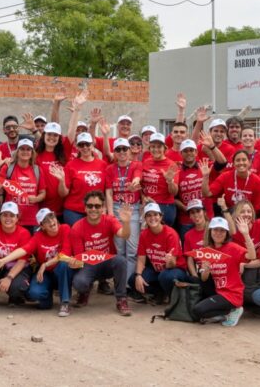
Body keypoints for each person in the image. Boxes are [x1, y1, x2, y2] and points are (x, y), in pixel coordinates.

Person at [62, 191, 133, 316]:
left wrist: (126, 222)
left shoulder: (110, 220)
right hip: (89, 265)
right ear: (85, 208)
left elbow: (125, 235)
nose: (93, 209)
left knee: (121, 260)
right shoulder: (77, 227)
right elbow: (80, 258)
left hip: (107, 263)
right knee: (79, 283)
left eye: (97, 206)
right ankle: (84, 292)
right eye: (90, 206)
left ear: (103, 208)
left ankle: (121, 299)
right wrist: (74, 262)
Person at [192, 216, 257, 327]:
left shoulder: (232, 248)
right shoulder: (207, 250)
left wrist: (246, 234)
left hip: (232, 294)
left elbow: (252, 255)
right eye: (215, 230)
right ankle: (226, 313)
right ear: (210, 231)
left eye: (222, 230)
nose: (218, 233)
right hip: (219, 292)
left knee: (198, 310)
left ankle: (233, 311)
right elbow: (203, 279)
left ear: (226, 233)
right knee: (196, 313)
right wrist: (206, 269)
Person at [104, 138, 143, 285]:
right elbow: (108, 192)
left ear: (129, 151)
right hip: (115, 208)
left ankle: (128, 284)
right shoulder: (109, 168)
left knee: (132, 251)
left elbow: (137, 178)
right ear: (114, 152)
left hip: (132, 208)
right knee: (119, 250)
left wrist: (134, 183)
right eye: (118, 149)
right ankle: (120, 283)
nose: (121, 152)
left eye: (124, 149)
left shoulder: (136, 165)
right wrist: (110, 214)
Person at [131, 203, 188, 303]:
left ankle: (173, 297)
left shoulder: (171, 234)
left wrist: (169, 261)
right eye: (149, 215)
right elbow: (141, 258)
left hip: (175, 269)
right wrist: (138, 275)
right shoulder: (144, 234)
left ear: (161, 216)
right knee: (133, 280)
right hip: (157, 269)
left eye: (155, 214)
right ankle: (159, 293)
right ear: (145, 218)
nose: (152, 218)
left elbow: (173, 264)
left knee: (165, 276)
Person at [26, 208, 74, 316]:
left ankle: (65, 303)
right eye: (46, 221)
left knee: (64, 263)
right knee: (35, 294)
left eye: (52, 217)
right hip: (47, 273)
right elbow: (25, 249)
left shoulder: (65, 228)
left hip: (61, 271)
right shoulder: (38, 236)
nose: (52, 222)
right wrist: (4, 260)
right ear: (42, 226)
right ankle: (47, 299)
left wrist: (45, 264)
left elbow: (65, 254)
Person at [53, 132, 107, 225]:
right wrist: (61, 181)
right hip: (74, 211)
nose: (85, 147)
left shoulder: (103, 165)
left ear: (92, 144)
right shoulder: (71, 165)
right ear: (77, 147)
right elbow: (63, 194)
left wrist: (105, 207)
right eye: (81, 145)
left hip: (96, 209)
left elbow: (107, 190)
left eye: (87, 144)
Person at [0, 138, 47, 233]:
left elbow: (43, 193)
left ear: (32, 153)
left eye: (28, 149)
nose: (25, 152)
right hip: (11, 218)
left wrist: (36, 199)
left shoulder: (37, 170)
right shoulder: (8, 167)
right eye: (22, 149)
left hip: (31, 219)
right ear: (17, 151)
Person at [175, 139, 213, 240]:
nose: (189, 153)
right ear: (181, 153)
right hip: (186, 220)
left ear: (196, 152)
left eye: (191, 150)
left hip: (207, 217)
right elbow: (173, 197)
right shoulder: (176, 171)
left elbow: (221, 163)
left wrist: (211, 149)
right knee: (188, 250)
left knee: (209, 249)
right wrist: (185, 208)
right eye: (185, 151)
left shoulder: (205, 165)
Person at [142, 133, 179, 226]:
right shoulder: (145, 162)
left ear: (165, 148)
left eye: (159, 147)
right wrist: (143, 197)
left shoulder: (171, 165)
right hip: (148, 205)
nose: (156, 149)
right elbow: (141, 185)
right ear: (149, 148)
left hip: (165, 206)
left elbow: (174, 192)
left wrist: (170, 181)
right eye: (153, 146)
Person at [36, 122, 71, 221]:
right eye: (49, 134)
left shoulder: (64, 155)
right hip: (41, 208)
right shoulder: (36, 155)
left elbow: (71, 134)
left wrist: (76, 111)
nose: (52, 137)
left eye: (55, 135)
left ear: (59, 138)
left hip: (61, 209)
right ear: (43, 136)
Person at [183, 199, 209, 278]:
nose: (196, 215)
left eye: (198, 211)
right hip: (199, 272)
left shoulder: (213, 229)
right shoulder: (188, 235)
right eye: (192, 213)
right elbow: (190, 259)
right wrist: (195, 276)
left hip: (216, 270)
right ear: (190, 216)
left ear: (204, 212)